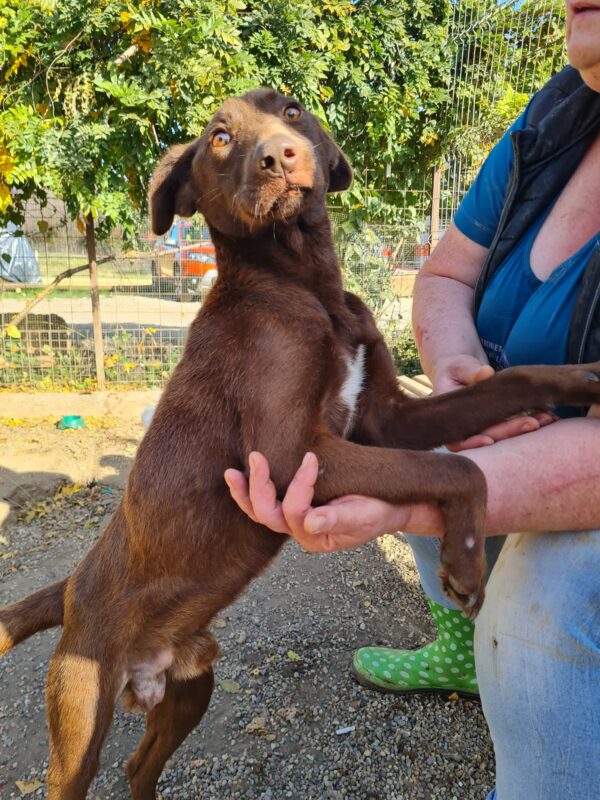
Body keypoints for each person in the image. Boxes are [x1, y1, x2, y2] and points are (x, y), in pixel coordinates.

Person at [224, 4, 600, 798]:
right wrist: (465, 368)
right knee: (419, 443)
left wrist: (413, 502)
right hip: (539, 426)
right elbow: (446, 275)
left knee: (538, 610)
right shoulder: (557, 116)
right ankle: (461, 652)